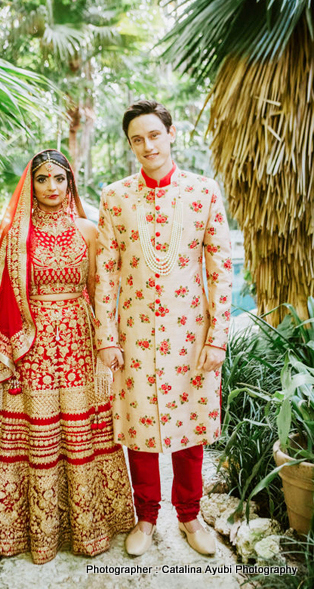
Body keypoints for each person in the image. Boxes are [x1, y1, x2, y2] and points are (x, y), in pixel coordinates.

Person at [0, 149, 134, 565]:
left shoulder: (88, 229)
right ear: (31, 184)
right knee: (38, 431)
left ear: (71, 182)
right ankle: (33, 534)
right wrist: (7, 353)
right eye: (43, 179)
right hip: (34, 344)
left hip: (80, 340)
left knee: (85, 427)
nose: (52, 187)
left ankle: (92, 526)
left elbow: (104, 293)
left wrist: (106, 346)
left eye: (60, 179)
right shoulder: (15, 235)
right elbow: (6, 298)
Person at [95, 101, 232, 557]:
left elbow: (221, 267)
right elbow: (106, 270)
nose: (147, 145)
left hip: (190, 333)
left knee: (189, 429)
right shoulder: (116, 196)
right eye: (137, 139)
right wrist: (107, 337)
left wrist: (218, 336)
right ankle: (146, 517)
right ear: (131, 144)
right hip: (133, 333)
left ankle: (190, 516)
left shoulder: (203, 191)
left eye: (154, 135)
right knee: (140, 428)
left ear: (170, 134)